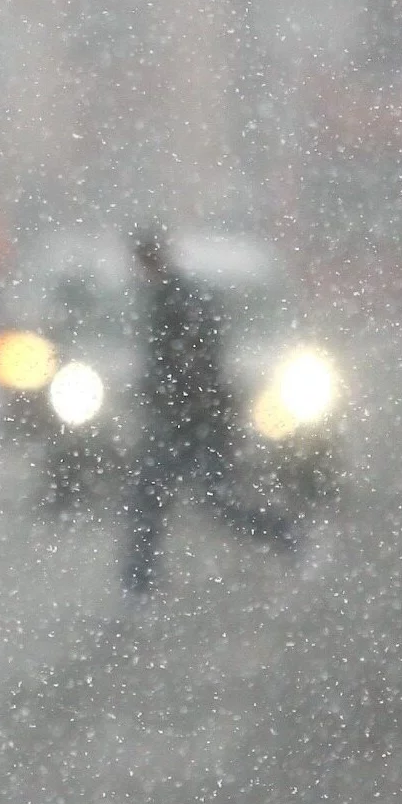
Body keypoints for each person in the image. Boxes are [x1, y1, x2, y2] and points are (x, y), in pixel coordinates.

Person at [120, 227, 294, 596]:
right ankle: (138, 583)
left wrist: (185, 398)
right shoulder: (164, 298)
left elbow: (197, 364)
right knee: (159, 500)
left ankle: (285, 534)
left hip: (193, 422)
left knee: (208, 502)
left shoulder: (179, 300)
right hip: (184, 421)